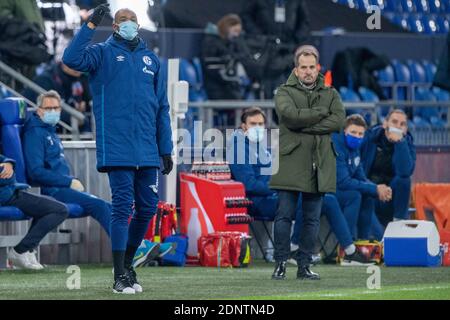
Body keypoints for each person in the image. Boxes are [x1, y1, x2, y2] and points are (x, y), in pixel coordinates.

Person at [62, 4, 173, 294]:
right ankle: (118, 276)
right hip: (117, 144)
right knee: (123, 206)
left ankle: (126, 264)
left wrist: (166, 149)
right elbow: (70, 57)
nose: (128, 24)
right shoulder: (101, 53)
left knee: (148, 208)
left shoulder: (152, 60)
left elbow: (162, 107)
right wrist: (89, 26)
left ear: (138, 25)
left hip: (147, 147)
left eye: (132, 20)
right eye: (122, 20)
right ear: (114, 26)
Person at [269, 45, 345, 280]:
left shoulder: (331, 93)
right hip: (291, 161)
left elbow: (338, 121)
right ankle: (281, 263)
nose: (308, 71)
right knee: (284, 216)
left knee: (312, 219)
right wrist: (322, 113)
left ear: (318, 67)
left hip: (320, 164)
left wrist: (307, 125)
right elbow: (289, 116)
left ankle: (303, 267)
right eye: (304, 67)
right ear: (296, 69)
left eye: (312, 67)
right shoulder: (283, 92)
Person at [22, 90, 111, 237]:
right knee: (100, 206)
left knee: (109, 207)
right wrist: (68, 181)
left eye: (56, 108)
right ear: (39, 110)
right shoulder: (35, 133)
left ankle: (136, 245)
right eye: (48, 108)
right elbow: (36, 171)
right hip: (52, 190)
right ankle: (127, 253)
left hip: (62, 187)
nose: (52, 111)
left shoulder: (50, 131)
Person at [0, 154, 68, 270]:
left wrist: (9, 163)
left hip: (12, 192)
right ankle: (21, 250)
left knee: (51, 204)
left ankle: (28, 250)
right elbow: (6, 177)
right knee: (60, 210)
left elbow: (4, 160)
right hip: (6, 196)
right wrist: (8, 172)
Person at [332, 114, 392, 241]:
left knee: (367, 195)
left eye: (360, 134)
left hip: (340, 189)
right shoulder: (336, 145)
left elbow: (361, 177)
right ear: (345, 131)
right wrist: (374, 189)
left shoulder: (355, 148)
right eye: (353, 132)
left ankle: (363, 243)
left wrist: (377, 188)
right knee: (355, 195)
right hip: (325, 191)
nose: (357, 137)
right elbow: (343, 182)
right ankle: (347, 245)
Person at [360, 109, 416, 239]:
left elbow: (405, 172)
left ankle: (398, 230)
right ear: (385, 124)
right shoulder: (370, 138)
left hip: (391, 200)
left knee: (404, 180)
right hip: (370, 195)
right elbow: (358, 171)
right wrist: (375, 189)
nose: (398, 126)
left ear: (406, 129)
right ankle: (380, 239)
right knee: (361, 193)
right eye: (394, 122)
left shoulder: (407, 143)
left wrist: (400, 143)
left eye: (402, 124)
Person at [291, 193, 375, 266]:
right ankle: (294, 248)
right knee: (311, 198)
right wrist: (374, 189)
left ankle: (352, 249)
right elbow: (343, 181)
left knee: (332, 199)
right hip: (285, 193)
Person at [22, 62, 92, 132]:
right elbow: (48, 111)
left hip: (62, 127)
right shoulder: (45, 79)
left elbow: (89, 100)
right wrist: (75, 117)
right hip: (37, 126)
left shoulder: (81, 78)